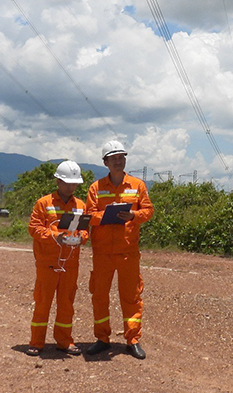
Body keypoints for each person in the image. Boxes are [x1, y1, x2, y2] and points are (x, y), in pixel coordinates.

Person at [84, 140, 154, 359]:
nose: (118, 161)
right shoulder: (96, 187)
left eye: (121, 157)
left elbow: (148, 211)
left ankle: (132, 340)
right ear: (105, 162)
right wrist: (106, 216)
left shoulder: (137, 185)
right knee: (100, 296)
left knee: (131, 297)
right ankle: (102, 339)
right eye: (114, 158)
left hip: (127, 252)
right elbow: (89, 215)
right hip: (102, 252)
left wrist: (133, 215)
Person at [26, 160, 89, 357]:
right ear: (58, 181)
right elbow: (34, 229)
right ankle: (37, 342)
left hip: (70, 262)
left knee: (66, 303)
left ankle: (64, 341)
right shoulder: (44, 203)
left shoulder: (80, 205)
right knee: (43, 301)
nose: (71, 187)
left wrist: (80, 238)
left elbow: (85, 230)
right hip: (48, 262)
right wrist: (55, 237)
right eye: (67, 183)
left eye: (74, 184)